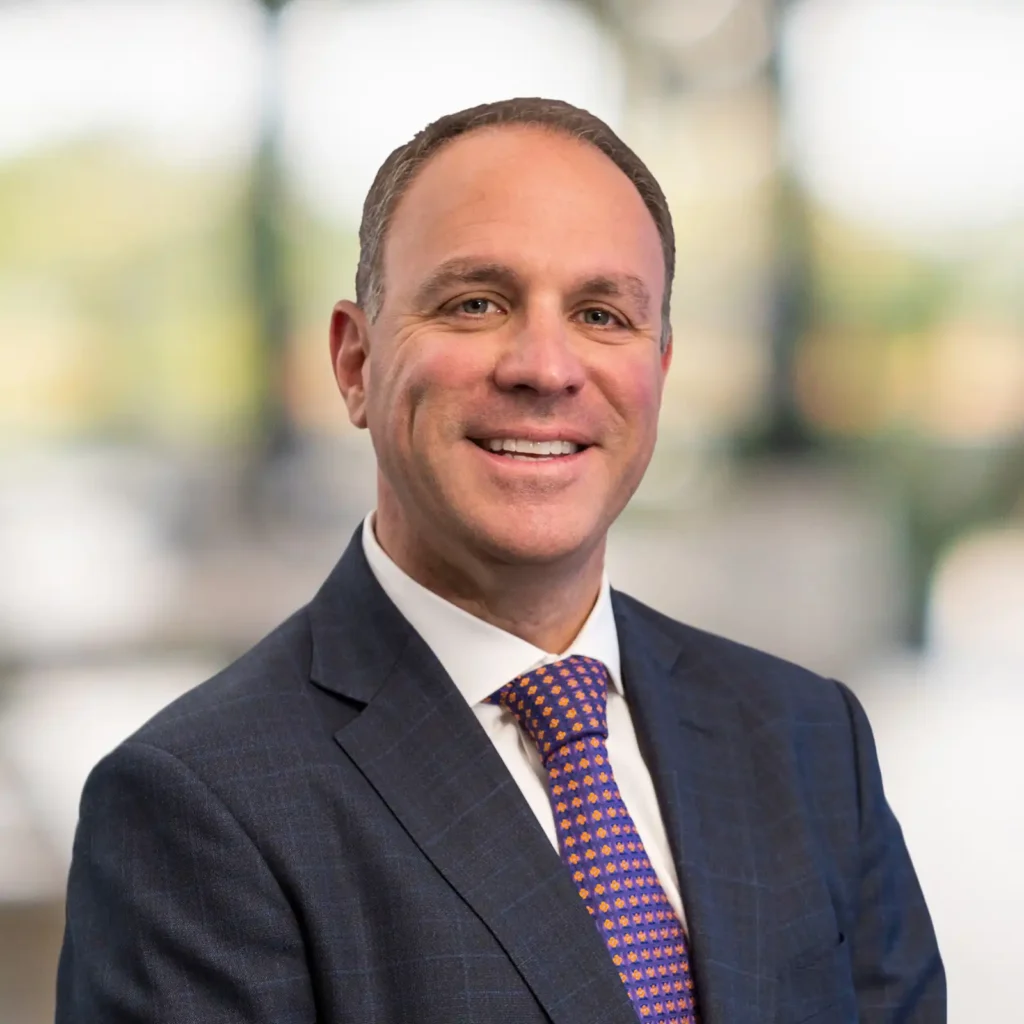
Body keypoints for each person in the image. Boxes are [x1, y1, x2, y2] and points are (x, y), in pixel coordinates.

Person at [56, 98, 945, 1024]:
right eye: (475, 303)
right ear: (355, 363)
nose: (546, 366)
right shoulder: (193, 806)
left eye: (602, 314)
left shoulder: (807, 737)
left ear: (660, 376)